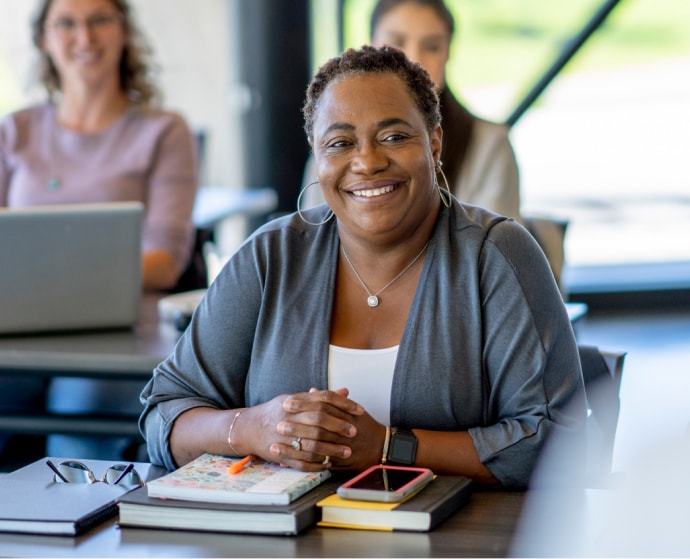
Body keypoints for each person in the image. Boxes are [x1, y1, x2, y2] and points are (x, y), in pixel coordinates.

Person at [140, 45, 586, 488]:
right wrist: (252, 428)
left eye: (394, 137)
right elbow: (165, 413)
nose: (368, 161)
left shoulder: (498, 255)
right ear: (318, 158)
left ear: (434, 142)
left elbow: (554, 441)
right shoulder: (271, 256)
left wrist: (389, 448)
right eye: (341, 143)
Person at [0, 0, 198, 462]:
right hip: (18, 333)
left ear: (123, 31)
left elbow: (166, 261)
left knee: (78, 425)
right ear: (43, 39)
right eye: (66, 23)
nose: (84, 38)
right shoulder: (15, 130)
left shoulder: (164, 131)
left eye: (99, 20)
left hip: (122, 334)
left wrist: (43, 282)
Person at [302, 0, 520, 222]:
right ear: (370, 47)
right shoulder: (331, 137)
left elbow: (495, 247)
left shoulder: (488, 143)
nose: (414, 59)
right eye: (397, 42)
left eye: (431, 47)